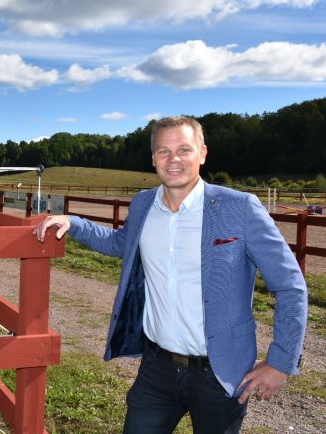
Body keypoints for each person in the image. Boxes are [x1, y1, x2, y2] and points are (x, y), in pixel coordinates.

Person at [33, 116, 307, 434]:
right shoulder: (143, 204)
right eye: (164, 151)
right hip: (157, 368)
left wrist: (281, 361)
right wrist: (73, 222)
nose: (173, 159)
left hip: (220, 374)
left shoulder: (240, 208)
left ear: (202, 153)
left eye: (184, 149)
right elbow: (120, 243)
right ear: (153, 158)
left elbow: (290, 286)